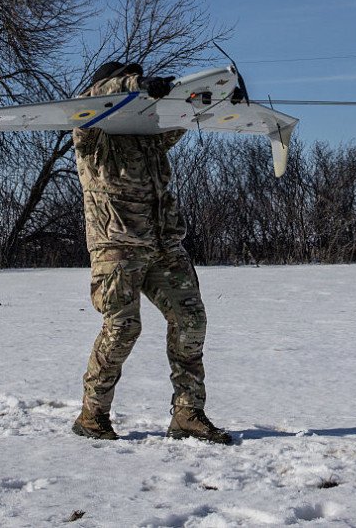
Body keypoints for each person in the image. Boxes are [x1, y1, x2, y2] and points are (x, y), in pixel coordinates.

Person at [70, 61, 231, 444]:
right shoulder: (90, 132)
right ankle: (92, 415)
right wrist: (135, 83)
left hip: (164, 246)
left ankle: (188, 414)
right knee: (123, 328)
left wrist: (215, 100)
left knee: (191, 321)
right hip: (117, 248)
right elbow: (91, 97)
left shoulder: (147, 136)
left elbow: (181, 118)